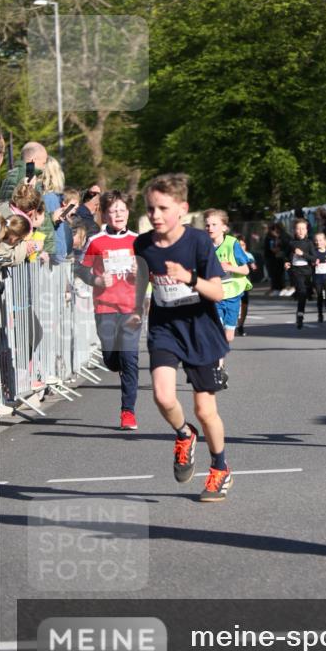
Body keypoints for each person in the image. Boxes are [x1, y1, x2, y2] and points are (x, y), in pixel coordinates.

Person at [133, 173, 233, 502]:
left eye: (163, 208)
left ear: (182, 208)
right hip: (164, 328)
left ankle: (220, 468)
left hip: (200, 329)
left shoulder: (199, 242)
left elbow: (217, 292)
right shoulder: (143, 244)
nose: (155, 215)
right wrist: (137, 308)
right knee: (163, 396)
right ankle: (183, 434)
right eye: (150, 208)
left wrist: (189, 277)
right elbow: (143, 277)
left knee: (205, 410)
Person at [80, 191, 140, 430]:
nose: (118, 214)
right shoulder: (96, 241)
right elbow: (81, 269)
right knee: (112, 360)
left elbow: (151, 273)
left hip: (131, 308)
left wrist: (140, 273)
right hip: (104, 307)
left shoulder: (138, 240)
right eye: (113, 210)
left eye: (122, 210)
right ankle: (115, 363)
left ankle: (128, 411)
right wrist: (96, 281)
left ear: (128, 213)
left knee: (130, 359)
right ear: (104, 214)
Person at [203, 209, 252, 381]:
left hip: (232, 294)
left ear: (224, 227)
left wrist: (229, 267)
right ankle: (217, 368)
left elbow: (246, 269)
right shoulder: (204, 245)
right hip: (214, 294)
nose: (210, 228)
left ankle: (220, 364)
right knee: (216, 331)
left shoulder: (232, 244)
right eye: (207, 225)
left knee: (228, 336)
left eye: (214, 224)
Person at [285, 218, 316, 329]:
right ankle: (300, 315)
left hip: (307, 271)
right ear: (295, 230)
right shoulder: (291, 243)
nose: (301, 231)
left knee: (306, 291)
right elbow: (286, 255)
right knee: (302, 292)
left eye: (303, 228)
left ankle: (306, 294)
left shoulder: (309, 243)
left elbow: (313, 258)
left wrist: (302, 254)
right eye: (298, 228)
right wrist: (287, 262)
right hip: (296, 271)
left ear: (307, 230)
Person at [236, 236, 258, 336]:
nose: (241, 247)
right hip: (234, 283)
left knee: (244, 304)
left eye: (243, 245)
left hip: (245, 282)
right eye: (239, 245)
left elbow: (253, 264)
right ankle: (232, 323)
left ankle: (241, 325)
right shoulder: (232, 254)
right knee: (235, 303)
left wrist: (253, 266)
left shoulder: (248, 255)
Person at [312, 232, 326, 322]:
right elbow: (310, 262)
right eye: (316, 240)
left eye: (320, 240)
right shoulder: (314, 251)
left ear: (325, 240)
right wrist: (314, 263)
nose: (318, 242)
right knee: (319, 295)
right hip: (317, 277)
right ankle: (320, 314)